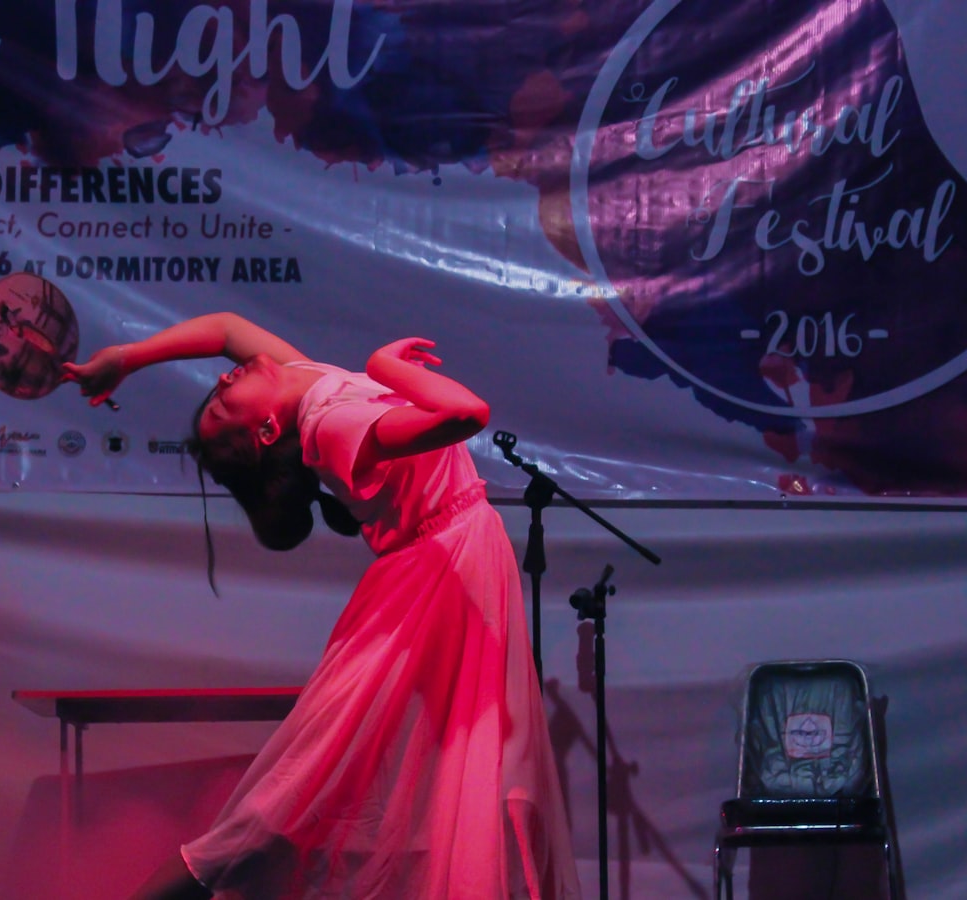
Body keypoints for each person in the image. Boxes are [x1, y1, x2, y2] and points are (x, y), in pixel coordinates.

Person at [62, 313, 580, 900]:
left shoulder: (300, 380)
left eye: (217, 391)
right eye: (221, 406)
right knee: (290, 795)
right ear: (263, 433)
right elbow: (467, 415)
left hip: (459, 564)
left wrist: (127, 359)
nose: (222, 383)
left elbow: (226, 329)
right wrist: (386, 367)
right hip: (429, 582)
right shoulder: (329, 425)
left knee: (480, 773)